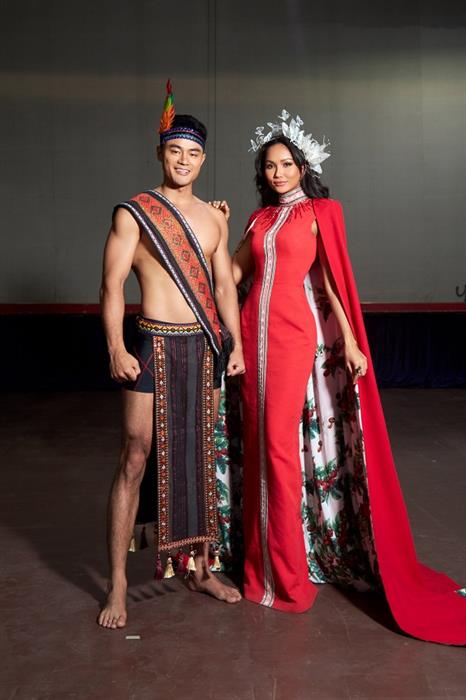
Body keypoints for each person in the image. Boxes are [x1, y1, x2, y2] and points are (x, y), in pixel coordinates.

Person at [216, 110, 466, 645]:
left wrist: (350, 341)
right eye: (270, 166)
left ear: (303, 166)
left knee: (279, 450)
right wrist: (216, 231)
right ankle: (259, 570)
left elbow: (332, 281)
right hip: (251, 334)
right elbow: (233, 273)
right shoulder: (258, 220)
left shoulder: (322, 212)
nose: (278, 173)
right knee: (256, 449)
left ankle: (286, 578)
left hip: (292, 337)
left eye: (286, 164)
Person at [98, 82, 244, 630]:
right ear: (161, 152)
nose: (184, 160)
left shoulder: (214, 218)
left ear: (203, 159)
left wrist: (234, 344)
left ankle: (200, 568)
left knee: (200, 459)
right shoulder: (134, 213)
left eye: (194, 153)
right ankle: (117, 580)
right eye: (175, 150)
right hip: (151, 343)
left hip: (203, 346)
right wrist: (115, 346)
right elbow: (111, 285)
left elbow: (224, 287)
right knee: (136, 457)